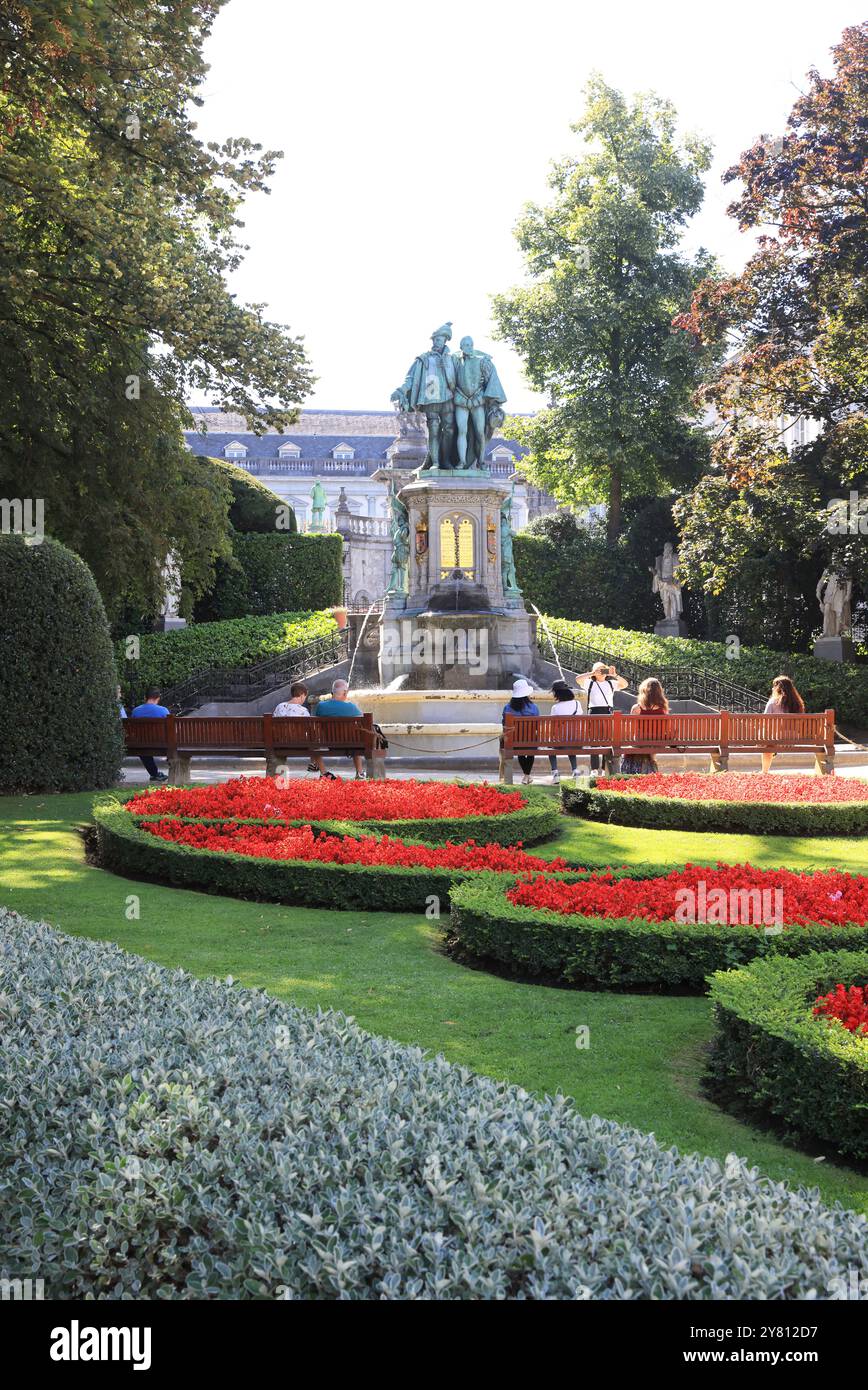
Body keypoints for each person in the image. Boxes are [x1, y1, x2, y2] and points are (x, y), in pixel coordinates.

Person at [273, 682, 335, 779]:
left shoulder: (279, 706)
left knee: (312, 741)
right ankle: (321, 770)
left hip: (280, 742)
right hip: (299, 743)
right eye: (305, 697)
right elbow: (310, 729)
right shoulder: (302, 710)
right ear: (302, 695)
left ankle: (315, 765)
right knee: (314, 742)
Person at [576, 662, 628, 772]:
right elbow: (578, 679)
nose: (602, 672)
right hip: (594, 712)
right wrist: (592, 673)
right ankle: (594, 769)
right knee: (594, 742)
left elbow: (625, 684)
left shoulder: (611, 683)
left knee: (607, 741)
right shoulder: (589, 683)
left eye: (604, 670)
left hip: (607, 712)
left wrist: (615, 675)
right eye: (599, 670)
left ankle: (605, 769)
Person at [313, 679, 367, 779]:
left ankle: (324, 772)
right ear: (345, 693)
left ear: (332, 693)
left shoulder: (321, 706)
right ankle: (359, 773)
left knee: (313, 745)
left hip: (330, 744)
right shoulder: (352, 707)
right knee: (356, 737)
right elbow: (363, 722)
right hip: (351, 745)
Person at [621, 678, 669, 775]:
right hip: (659, 741)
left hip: (641, 741)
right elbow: (666, 728)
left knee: (637, 740)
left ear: (643, 691)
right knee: (652, 741)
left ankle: (637, 770)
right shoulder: (663, 708)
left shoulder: (637, 708)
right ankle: (652, 762)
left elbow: (632, 730)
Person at [761, 675, 806, 774]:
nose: (772, 688)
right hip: (794, 737)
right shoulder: (797, 703)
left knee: (766, 744)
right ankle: (773, 750)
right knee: (770, 740)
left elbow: (765, 721)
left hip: (777, 737)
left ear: (777, 688)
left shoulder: (773, 702)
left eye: (774, 686)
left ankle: (764, 771)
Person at [501, 677, 540, 785]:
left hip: (515, 741)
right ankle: (527, 775)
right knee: (530, 750)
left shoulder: (508, 708)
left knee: (520, 751)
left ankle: (526, 776)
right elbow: (537, 726)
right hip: (531, 741)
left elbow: (504, 725)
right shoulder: (534, 707)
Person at [130, 687, 170, 782]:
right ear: (158, 698)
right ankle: (156, 774)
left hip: (141, 744)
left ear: (145, 697)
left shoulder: (136, 711)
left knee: (144, 749)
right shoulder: (163, 710)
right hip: (162, 744)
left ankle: (154, 774)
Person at [547, 680, 581, 784]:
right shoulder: (577, 704)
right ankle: (575, 770)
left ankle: (555, 772)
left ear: (557, 694)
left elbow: (553, 728)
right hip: (577, 740)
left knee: (549, 745)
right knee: (571, 740)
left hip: (560, 742)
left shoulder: (555, 707)